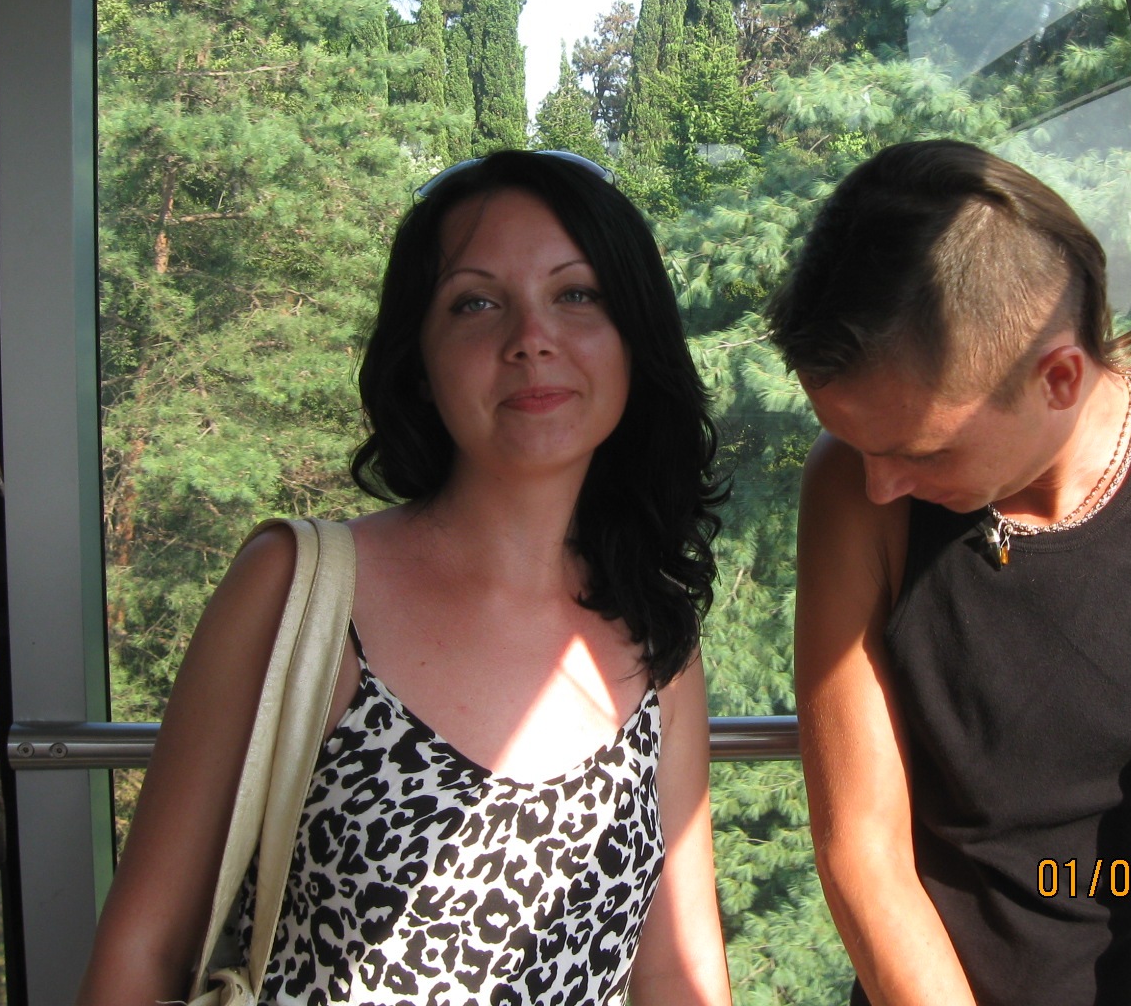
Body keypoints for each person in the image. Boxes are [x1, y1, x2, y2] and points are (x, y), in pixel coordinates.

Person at [79, 150, 734, 1005]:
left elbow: (677, 972)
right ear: (420, 363)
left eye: (577, 295)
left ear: (634, 340)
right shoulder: (298, 592)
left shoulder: (656, 634)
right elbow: (144, 952)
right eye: (476, 302)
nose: (531, 338)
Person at [765, 140, 1131, 1006]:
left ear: (1060, 377)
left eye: (922, 450)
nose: (882, 483)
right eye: (857, 443)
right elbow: (861, 845)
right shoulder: (855, 487)